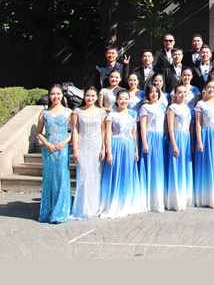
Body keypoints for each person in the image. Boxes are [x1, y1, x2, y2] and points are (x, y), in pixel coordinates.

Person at [99, 89, 144, 218]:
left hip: (129, 145)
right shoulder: (112, 115)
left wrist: (136, 149)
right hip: (116, 145)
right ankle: (115, 201)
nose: (123, 101)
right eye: (121, 99)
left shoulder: (133, 114)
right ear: (116, 100)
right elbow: (108, 134)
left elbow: (134, 133)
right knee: (116, 172)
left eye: (126, 99)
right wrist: (109, 152)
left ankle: (128, 200)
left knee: (128, 172)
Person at [37, 84, 72, 224]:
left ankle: (60, 211)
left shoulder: (68, 112)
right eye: (52, 94)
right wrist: (46, 144)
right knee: (49, 177)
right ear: (49, 96)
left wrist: (64, 143)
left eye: (58, 94)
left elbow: (74, 132)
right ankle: (48, 211)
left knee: (61, 176)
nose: (55, 96)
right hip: (48, 149)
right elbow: (39, 132)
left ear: (62, 95)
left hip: (62, 149)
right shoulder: (44, 113)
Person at [70, 86, 106, 220]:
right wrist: (75, 149)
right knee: (84, 176)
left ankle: (95, 206)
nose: (90, 98)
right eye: (87, 95)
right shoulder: (77, 111)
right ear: (84, 96)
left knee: (96, 176)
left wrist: (103, 148)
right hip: (83, 146)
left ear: (97, 98)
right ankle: (83, 207)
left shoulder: (101, 112)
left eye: (92, 96)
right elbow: (75, 130)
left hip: (97, 146)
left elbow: (104, 131)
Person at [194, 79, 214, 208]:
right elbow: (198, 124)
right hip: (206, 135)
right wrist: (199, 140)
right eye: (208, 87)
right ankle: (206, 197)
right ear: (205, 88)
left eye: (213, 87)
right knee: (206, 164)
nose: (211, 90)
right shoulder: (200, 104)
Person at [138, 84, 167, 213]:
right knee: (150, 167)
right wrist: (145, 143)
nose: (154, 94)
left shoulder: (162, 106)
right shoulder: (145, 107)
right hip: (150, 137)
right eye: (151, 92)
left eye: (156, 91)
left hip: (160, 138)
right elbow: (143, 127)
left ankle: (159, 198)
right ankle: (149, 200)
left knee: (159, 167)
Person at [165, 84, 193, 211]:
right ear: (175, 94)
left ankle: (184, 196)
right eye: (180, 92)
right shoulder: (172, 108)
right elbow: (170, 127)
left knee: (185, 166)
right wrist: (173, 143)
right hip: (177, 137)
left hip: (186, 138)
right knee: (176, 166)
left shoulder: (187, 107)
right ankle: (175, 199)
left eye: (184, 92)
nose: (182, 95)